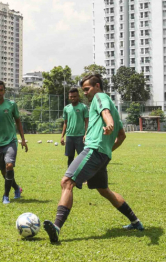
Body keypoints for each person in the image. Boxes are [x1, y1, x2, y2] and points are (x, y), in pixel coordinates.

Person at [44, 74, 143, 243]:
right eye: (84, 90)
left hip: (94, 150)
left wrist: (108, 123)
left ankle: (57, 228)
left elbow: (105, 113)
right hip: (102, 154)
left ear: (97, 86)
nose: (86, 93)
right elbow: (122, 135)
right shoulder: (113, 106)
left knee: (67, 182)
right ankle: (136, 222)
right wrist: (108, 149)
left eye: (87, 89)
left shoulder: (100, 97)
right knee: (104, 190)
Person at [60, 88, 89, 167]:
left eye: (74, 96)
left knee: (82, 157)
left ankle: (83, 176)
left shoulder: (83, 107)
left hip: (80, 136)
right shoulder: (66, 108)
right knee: (70, 157)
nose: (72, 98)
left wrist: (86, 134)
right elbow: (65, 123)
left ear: (78, 96)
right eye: (71, 96)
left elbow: (87, 121)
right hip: (69, 136)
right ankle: (69, 177)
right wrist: (62, 136)